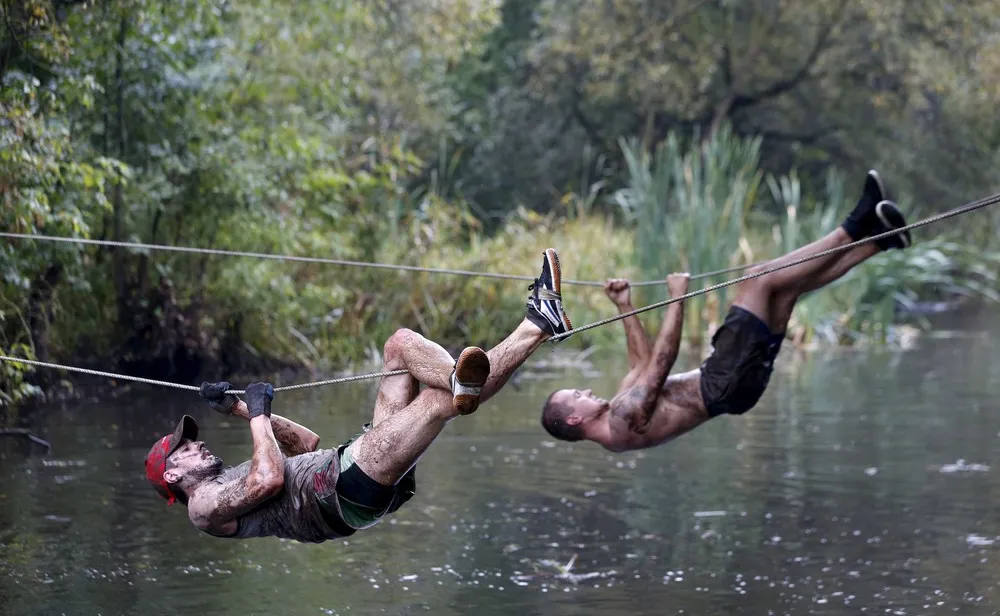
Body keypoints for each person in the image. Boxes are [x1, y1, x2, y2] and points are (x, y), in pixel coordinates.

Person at [143, 249, 574, 543]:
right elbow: (269, 479)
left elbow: (306, 444)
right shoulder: (201, 506)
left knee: (400, 345)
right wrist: (257, 416)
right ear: (173, 477)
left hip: (347, 466)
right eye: (184, 448)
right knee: (433, 405)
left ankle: (459, 379)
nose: (195, 444)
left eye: (191, 439)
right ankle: (537, 322)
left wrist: (236, 407)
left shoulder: (222, 481)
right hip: (343, 492)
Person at [540, 170, 912, 452]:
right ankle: (854, 225)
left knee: (786, 290)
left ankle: (881, 242)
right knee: (760, 277)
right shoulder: (621, 423)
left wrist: (624, 306)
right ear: (575, 418)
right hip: (723, 380)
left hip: (731, 386)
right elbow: (661, 363)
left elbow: (640, 365)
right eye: (578, 394)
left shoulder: (613, 415)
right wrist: (677, 298)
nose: (586, 389)